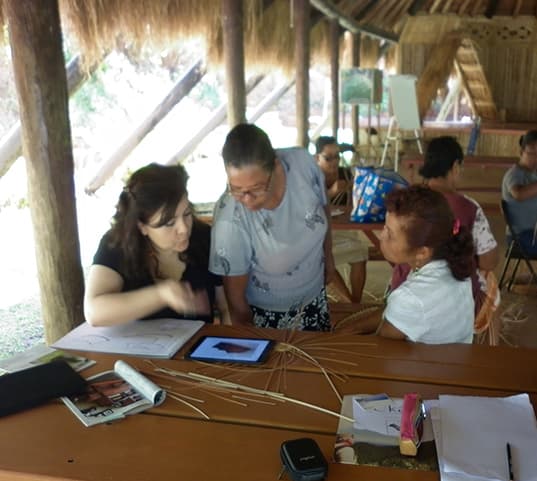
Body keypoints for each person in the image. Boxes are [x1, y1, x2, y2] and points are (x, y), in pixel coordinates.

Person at [209, 123, 336, 331]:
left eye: (256, 188)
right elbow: (237, 304)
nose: (247, 200)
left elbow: (323, 209)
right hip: (268, 318)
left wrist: (328, 258)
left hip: (315, 296)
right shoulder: (230, 219)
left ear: (276, 167)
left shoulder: (302, 164)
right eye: (237, 189)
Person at [84, 163, 230, 326]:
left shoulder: (204, 238)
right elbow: (94, 313)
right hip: (133, 349)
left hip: (195, 347)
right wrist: (161, 295)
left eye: (187, 214)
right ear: (142, 226)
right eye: (169, 223)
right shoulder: (118, 244)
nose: (183, 229)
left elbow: (227, 307)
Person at [390, 136, 499, 316]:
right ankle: (483, 340)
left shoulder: (406, 201)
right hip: (454, 304)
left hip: (404, 294)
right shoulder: (468, 207)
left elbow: (394, 251)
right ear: (455, 166)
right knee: (490, 283)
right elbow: (489, 261)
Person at [358, 185, 475, 344]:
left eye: (390, 234)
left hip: (428, 367)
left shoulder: (411, 298)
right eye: (385, 227)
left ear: (422, 252)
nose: (381, 236)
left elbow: (380, 349)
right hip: (455, 363)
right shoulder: (454, 265)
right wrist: (349, 329)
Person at [315, 136, 368, 303]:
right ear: (317, 157)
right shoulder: (312, 177)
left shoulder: (345, 174)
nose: (334, 161)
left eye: (337, 156)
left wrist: (357, 189)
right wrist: (331, 193)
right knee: (324, 257)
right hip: (319, 234)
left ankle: (356, 302)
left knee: (360, 253)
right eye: (328, 157)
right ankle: (350, 303)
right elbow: (308, 208)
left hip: (341, 229)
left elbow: (354, 205)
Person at [502, 129, 537, 256]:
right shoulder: (514, 174)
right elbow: (519, 194)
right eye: (532, 153)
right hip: (521, 238)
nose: (535, 158)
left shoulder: (533, 175)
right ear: (521, 152)